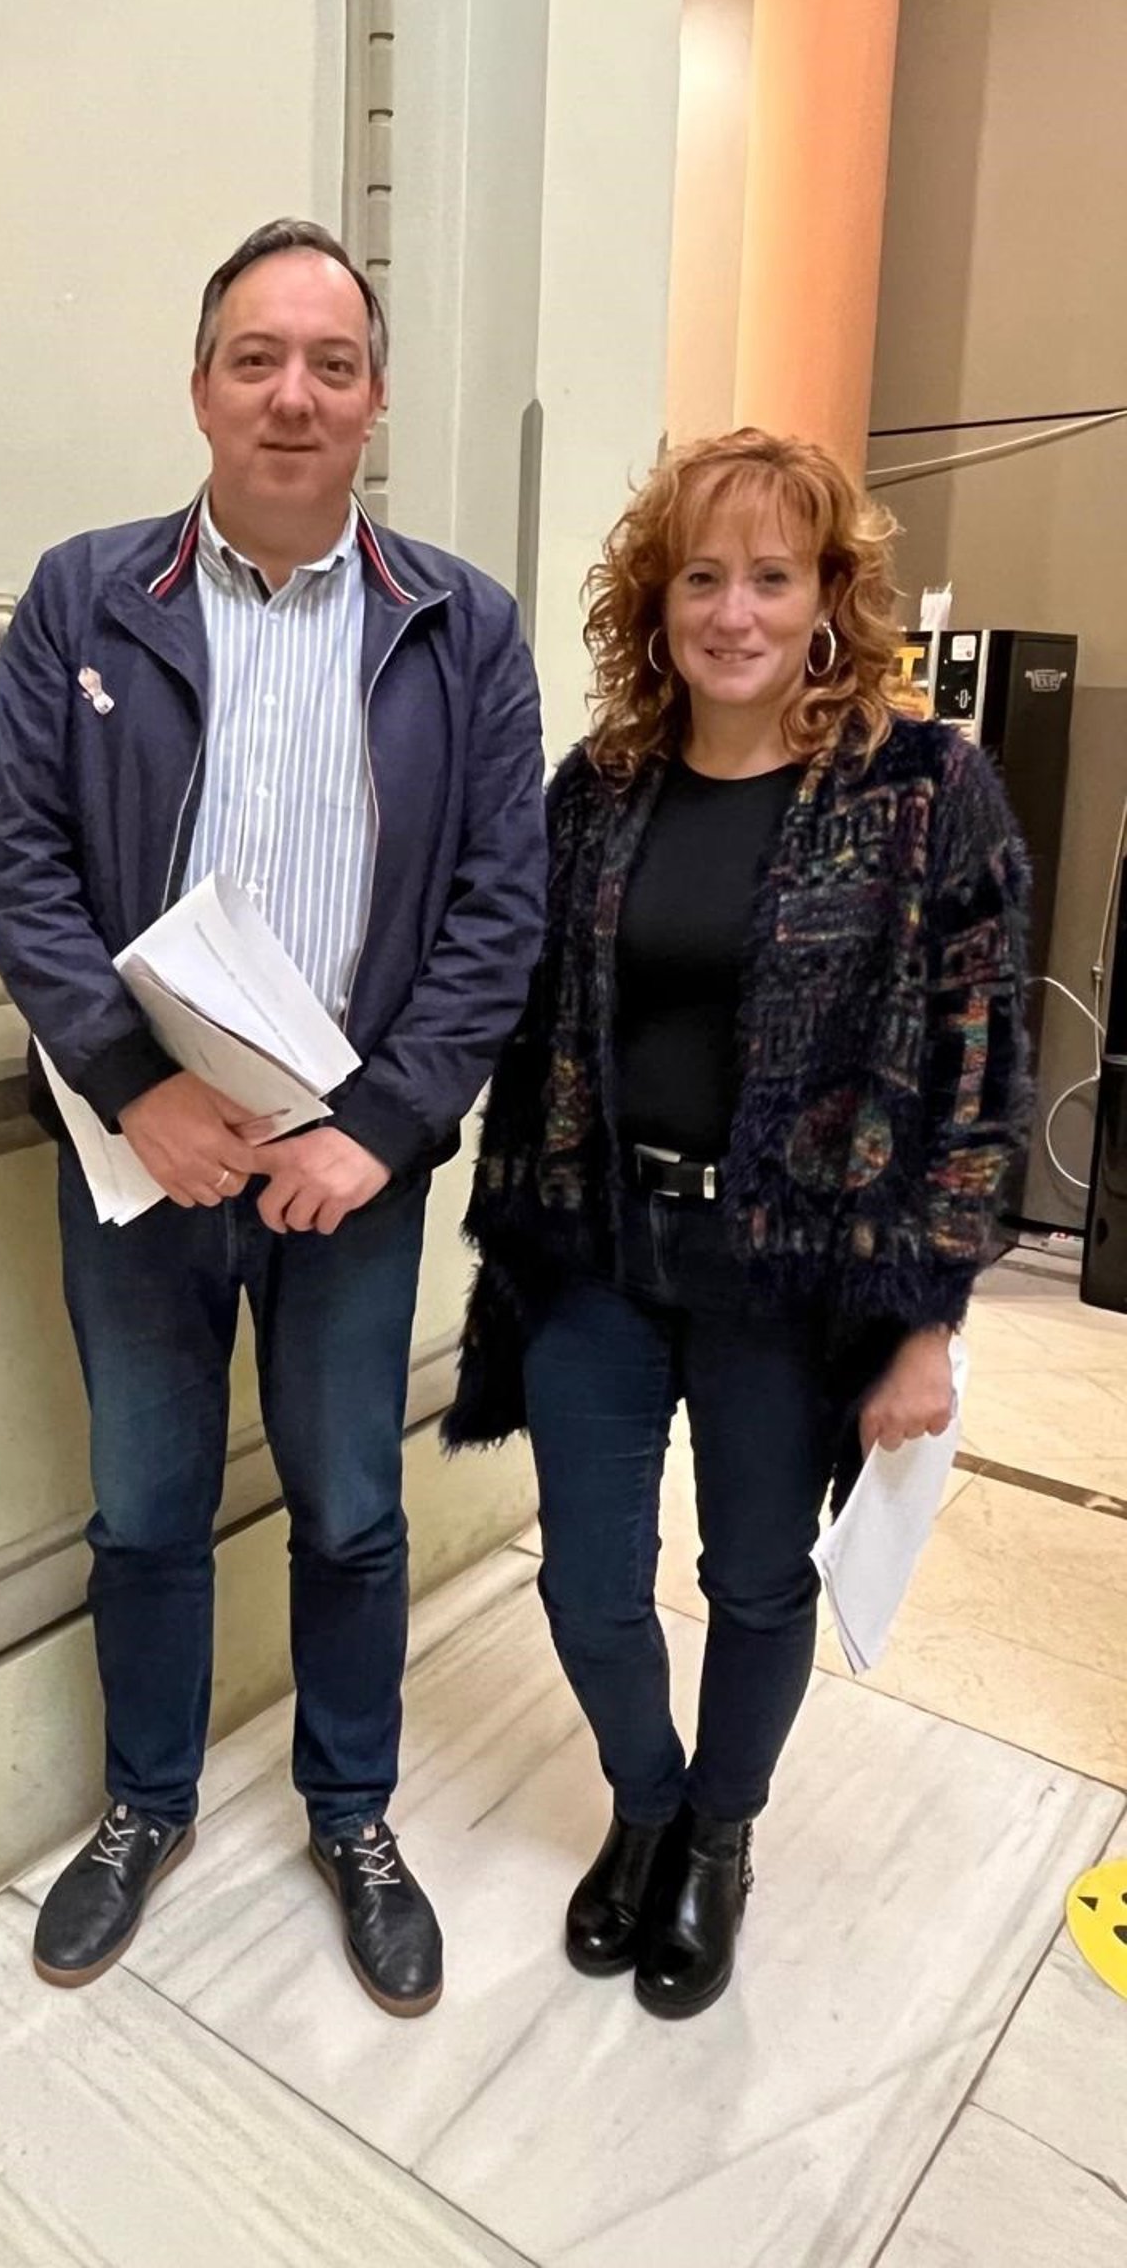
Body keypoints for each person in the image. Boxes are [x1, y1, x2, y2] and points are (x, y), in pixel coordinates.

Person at [0, 218, 546, 2015]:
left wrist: (383, 1125)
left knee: (353, 1511)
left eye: (332, 363)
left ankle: (352, 1816)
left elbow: (500, 909)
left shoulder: (463, 627)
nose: (293, 395)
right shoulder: (84, 599)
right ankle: (145, 1806)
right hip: (141, 1157)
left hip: (349, 1173)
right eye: (257, 359)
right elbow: (22, 874)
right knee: (145, 1509)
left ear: (375, 400)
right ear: (203, 387)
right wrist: (136, 1090)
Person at [448, 428, 1031, 2019]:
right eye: (701, 576)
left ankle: (721, 1838)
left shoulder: (926, 790)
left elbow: (979, 1073)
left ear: (830, 597)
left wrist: (930, 1322)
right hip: (599, 1248)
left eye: (772, 577)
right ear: (655, 601)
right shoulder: (600, 791)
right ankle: (647, 1802)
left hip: (792, 1275)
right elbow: (516, 1005)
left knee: (758, 1580)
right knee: (586, 1582)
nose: (734, 612)